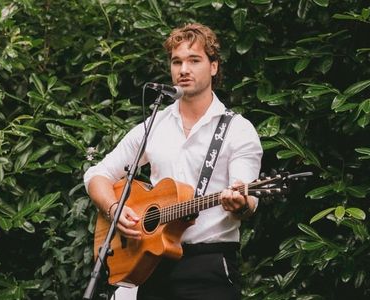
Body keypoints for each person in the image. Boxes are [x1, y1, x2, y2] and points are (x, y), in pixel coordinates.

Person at [83, 23, 263, 300]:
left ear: (213, 66)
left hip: (209, 264)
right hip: (153, 262)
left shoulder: (238, 130)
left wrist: (241, 201)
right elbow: (98, 174)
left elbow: (247, 195)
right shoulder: (155, 123)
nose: (184, 70)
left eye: (194, 60)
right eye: (177, 61)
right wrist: (113, 207)